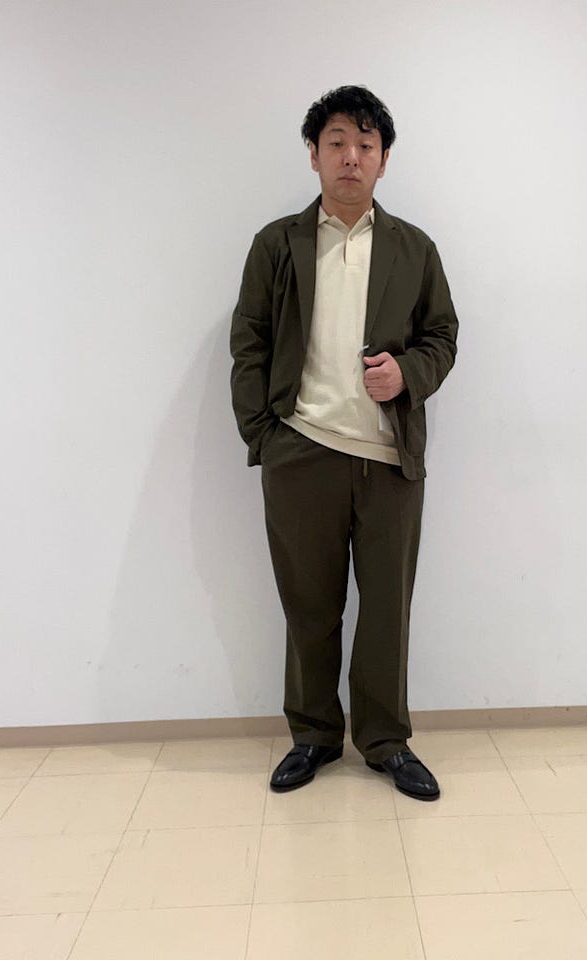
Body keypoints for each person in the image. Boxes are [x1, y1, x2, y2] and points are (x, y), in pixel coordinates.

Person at [230, 85, 458, 801]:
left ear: (384, 160)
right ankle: (314, 736)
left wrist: (407, 374)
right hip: (301, 452)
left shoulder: (414, 249)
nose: (350, 157)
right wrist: (264, 437)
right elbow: (249, 342)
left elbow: (442, 337)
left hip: (389, 460)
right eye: (336, 142)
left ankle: (386, 742)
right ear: (314, 154)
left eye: (365, 144)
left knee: (387, 611)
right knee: (309, 607)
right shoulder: (278, 244)